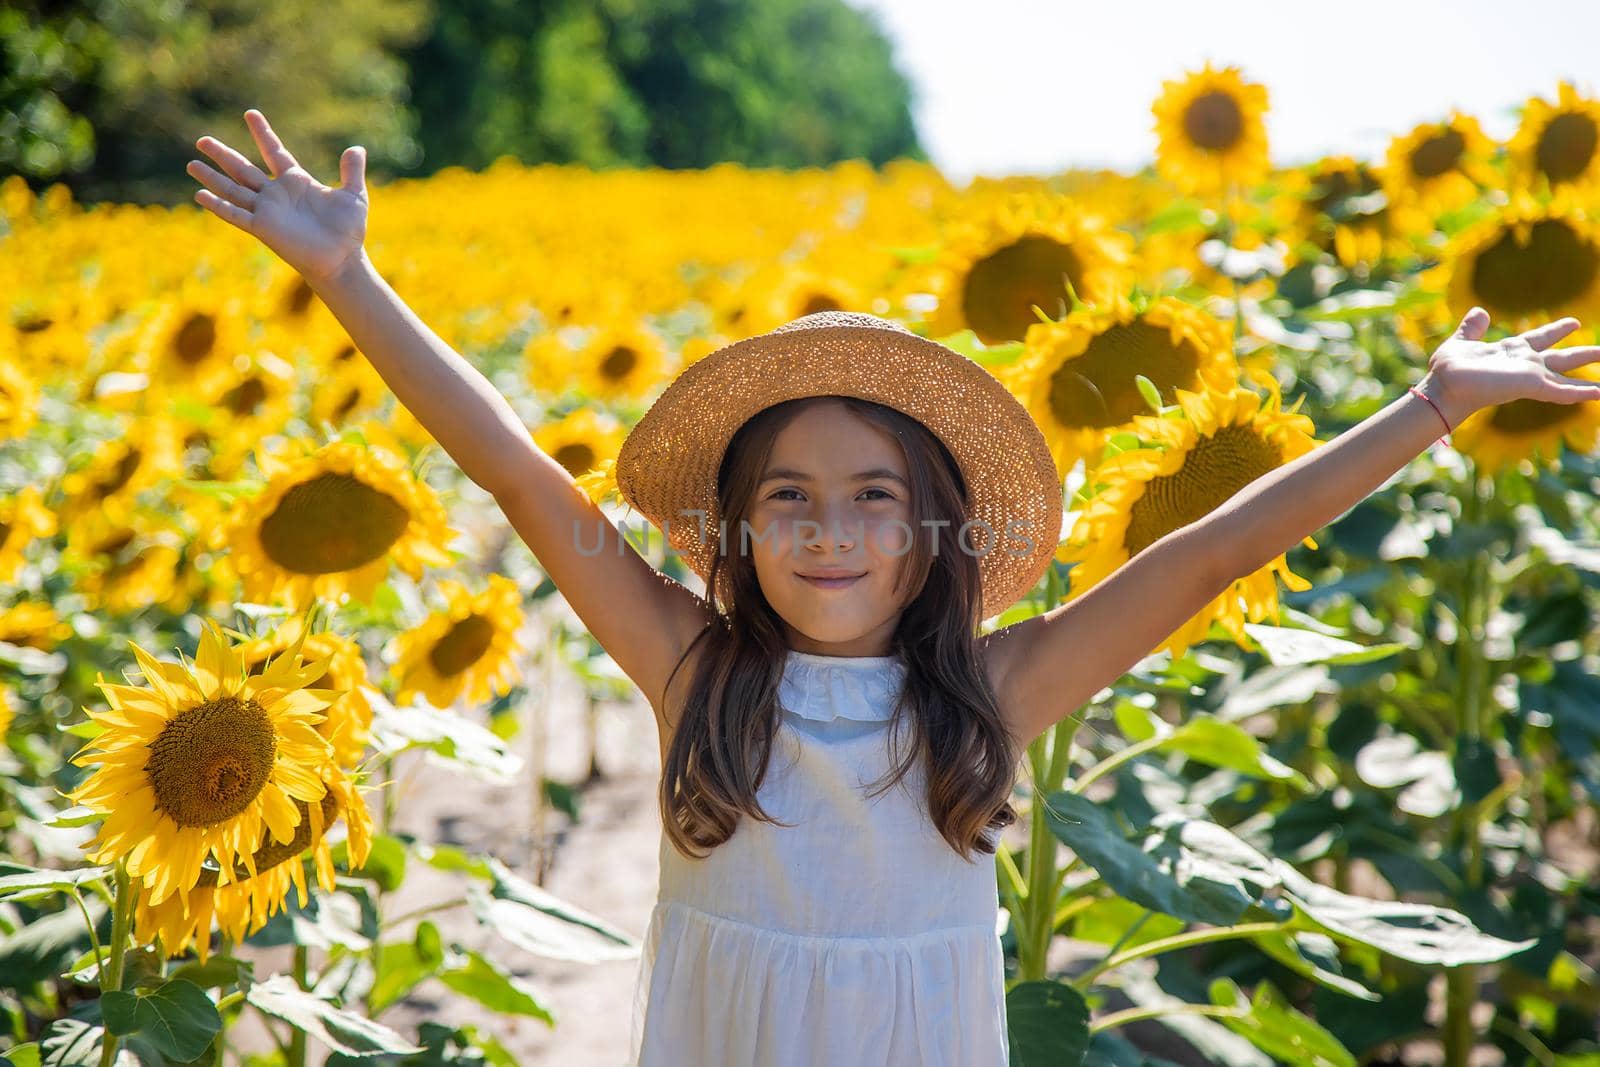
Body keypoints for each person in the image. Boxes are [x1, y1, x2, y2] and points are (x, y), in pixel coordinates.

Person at [187, 110, 1600, 1067]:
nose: (830, 533)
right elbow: (522, 480)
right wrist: (350, 276)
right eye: (785, 500)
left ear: (936, 533)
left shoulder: (988, 692)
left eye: (874, 499)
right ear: (733, 536)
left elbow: (1206, 552)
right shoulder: (693, 671)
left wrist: (1424, 406)